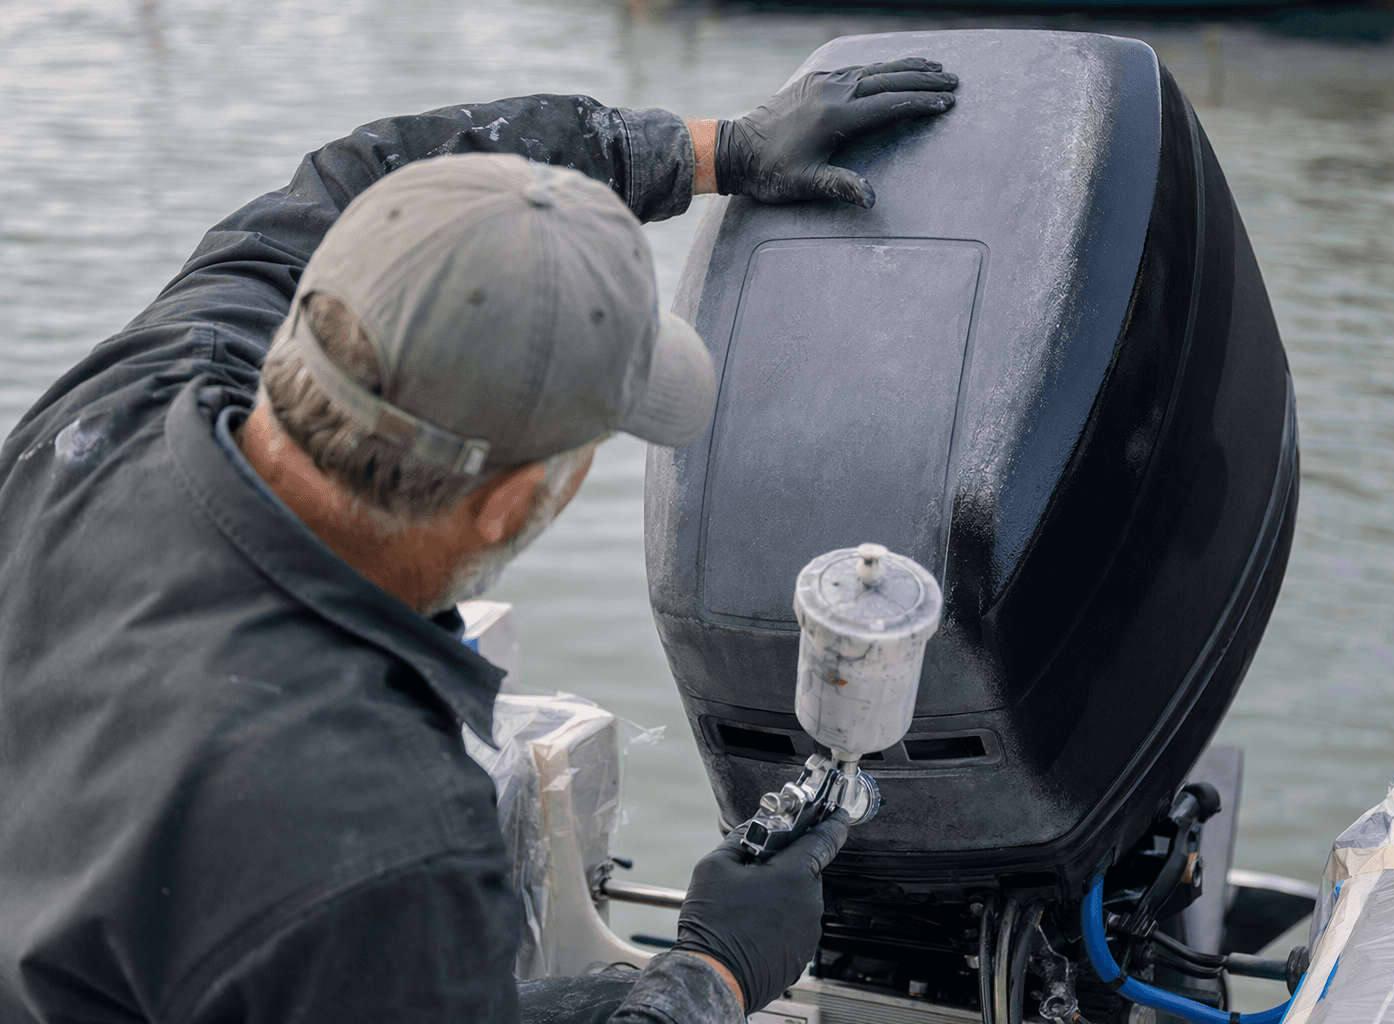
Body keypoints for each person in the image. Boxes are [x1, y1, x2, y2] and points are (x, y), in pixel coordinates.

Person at [0, 60, 958, 1024]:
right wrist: (708, 978)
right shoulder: (376, 835)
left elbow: (365, 176)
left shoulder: (139, 389)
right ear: (506, 505)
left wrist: (714, 150)